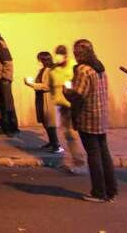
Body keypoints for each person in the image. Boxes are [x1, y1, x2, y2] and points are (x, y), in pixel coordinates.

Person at [65, 38, 117, 203]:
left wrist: (66, 90)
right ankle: (111, 190)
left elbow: (79, 94)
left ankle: (98, 192)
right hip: (101, 116)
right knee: (104, 154)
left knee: (93, 155)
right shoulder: (99, 67)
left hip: (88, 116)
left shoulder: (83, 70)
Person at [51, 44, 85, 173]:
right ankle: (72, 160)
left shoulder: (73, 67)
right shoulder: (54, 69)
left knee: (72, 134)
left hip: (72, 105)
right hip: (61, 105)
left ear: (65, 56)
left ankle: (79, 161)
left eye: (60, 55)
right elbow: (50, 85)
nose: (58, 59)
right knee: (66, 134)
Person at [24, 51, 60, 153]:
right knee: (45, 122)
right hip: (41, 98)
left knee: (50, 123)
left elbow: (46, 86)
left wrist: (31, 84)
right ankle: (51, 142)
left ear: (43, 60)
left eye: (39, 59)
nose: (38, 62)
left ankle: (56, 145)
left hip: (48, 100)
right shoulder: (43, 70)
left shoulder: (49, 71)